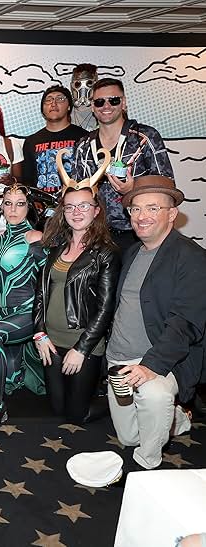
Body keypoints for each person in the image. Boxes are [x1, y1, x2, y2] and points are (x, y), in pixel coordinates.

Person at [105, 176, 204, 469]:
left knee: (155, 395)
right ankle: (176, 419)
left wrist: (150, 366)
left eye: (152, 208)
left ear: (172, 214)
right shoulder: (133, 251)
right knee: (127, 435)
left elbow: (185, 323)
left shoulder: (193, 258)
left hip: (160, 359)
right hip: (118, 358)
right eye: (135, 209)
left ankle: (147, 464)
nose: (141, 216)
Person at [33, 175, 119, 425]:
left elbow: (105, 308)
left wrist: (81, 349)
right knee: (58, 410)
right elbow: (41, 294)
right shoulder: (57, 247)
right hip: (51, 343)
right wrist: (39, 334)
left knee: (76, 415)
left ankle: (122, 402)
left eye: (84, 206)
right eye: (69, 206)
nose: (76, 212)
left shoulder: (106, 252)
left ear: (96, 211)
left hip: (83, 345)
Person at [0, 184, 46, 431]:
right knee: (11, 377)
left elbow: (51, 283)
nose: (13, 209)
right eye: (8, 203)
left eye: (20, 204)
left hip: (27, 313)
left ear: (29, 207)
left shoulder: (35, 238)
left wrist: (44, 327)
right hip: (4, 315)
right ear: (1, 206)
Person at [72, 78, 174, 253]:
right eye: (99, 102)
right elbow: (76, 189)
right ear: (92, 107)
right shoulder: (83, 145)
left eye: (114, 100)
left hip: (138, 232)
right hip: (95, 233)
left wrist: (133, 189)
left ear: (124, 102)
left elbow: (167, 184)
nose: (106, 106)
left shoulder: (144, 137)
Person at [21, 86, 88, 195]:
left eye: (60, 99)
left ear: (69, 107)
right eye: (48, 100)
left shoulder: (84, 137)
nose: (53, 103)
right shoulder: (31, 141)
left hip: (75, 204)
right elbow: (28, 180)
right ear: (42, 109)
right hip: (42, 205)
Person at [70, 64, 99, 132]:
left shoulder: (104, 109)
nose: (83, 89)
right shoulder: (65, 110)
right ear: (72, 85)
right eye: (78, 84)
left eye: (89, 83)